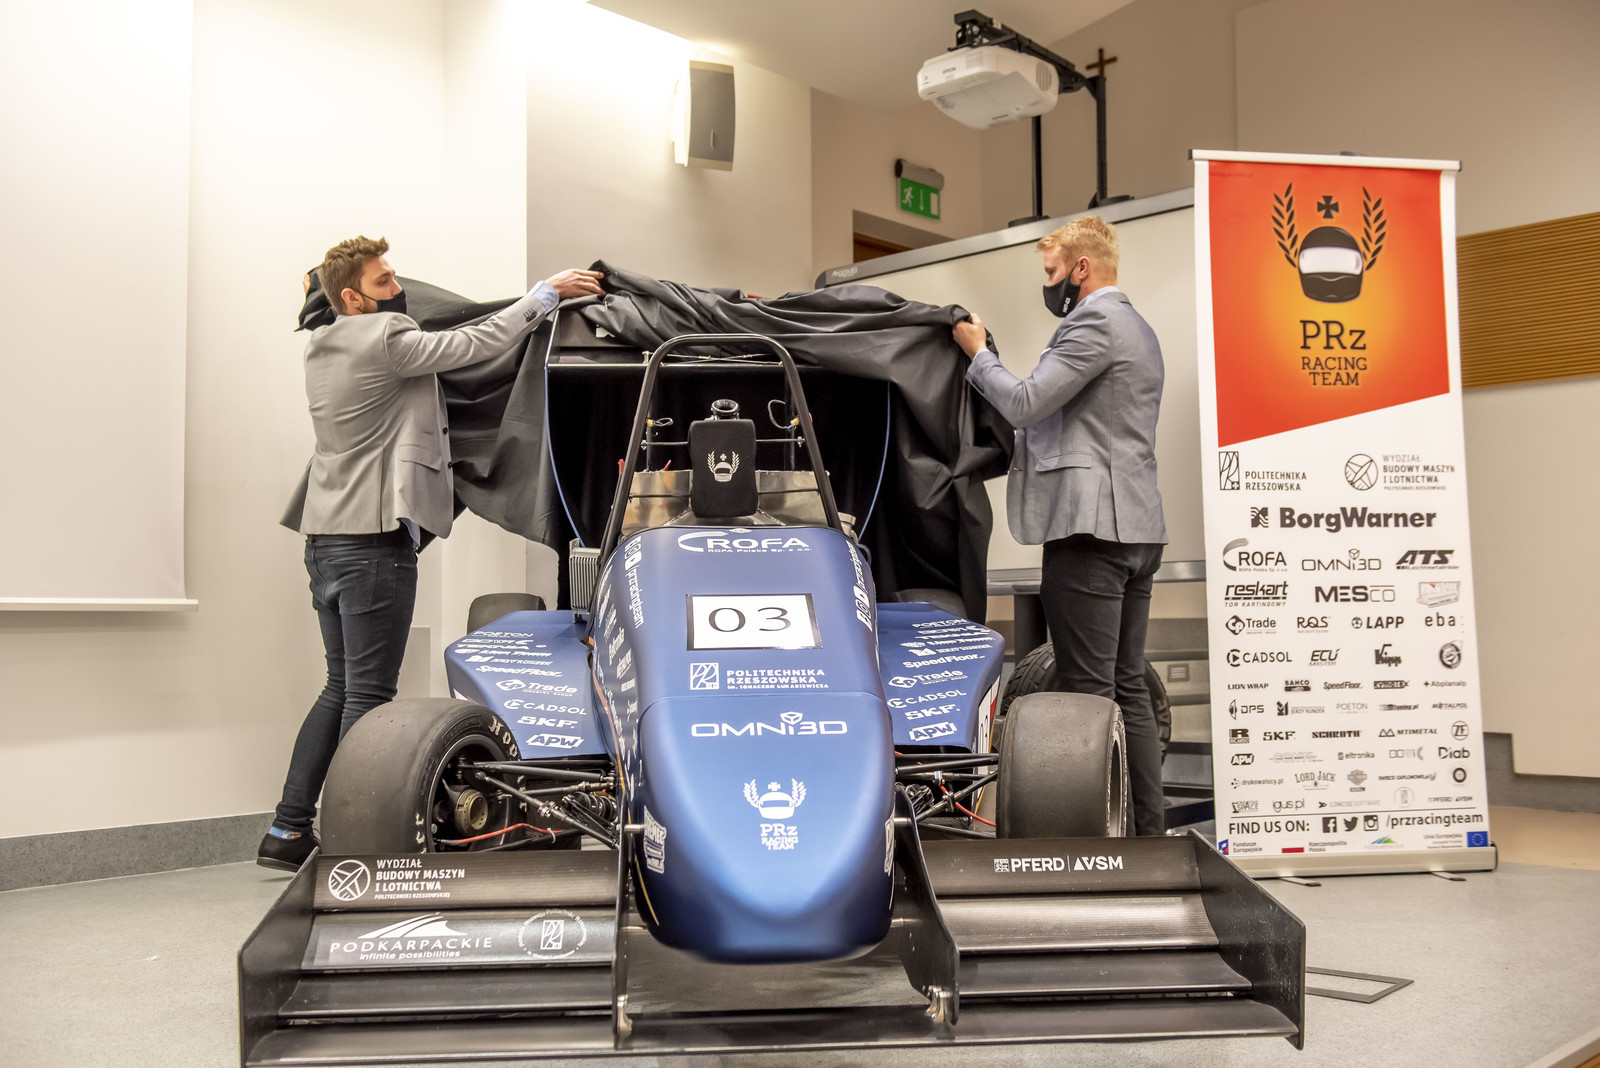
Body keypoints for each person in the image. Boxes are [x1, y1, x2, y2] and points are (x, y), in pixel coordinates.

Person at [257, 236, 603, 871]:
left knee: (339, 687)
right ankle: (353, 842)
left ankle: (287, 830)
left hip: (325, 544)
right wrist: (544, 295)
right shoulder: (386, 337)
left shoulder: (321, 344)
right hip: (373, 546)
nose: (399, 290)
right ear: (353, 298)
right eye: (384, 282)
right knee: (368, 696)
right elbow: (473, 343)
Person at [953, 216, 1168, 836]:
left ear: (1081, 268)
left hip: (1091, 531)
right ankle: (1147, 840)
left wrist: (978, 355)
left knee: (1087, 694)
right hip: (1136, 530)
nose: (1048, 285)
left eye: (1052, 273)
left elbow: (1025, 402)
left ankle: (1099, 846)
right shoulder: (1139, 327)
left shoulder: (1095, 322)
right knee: (1127, 688)